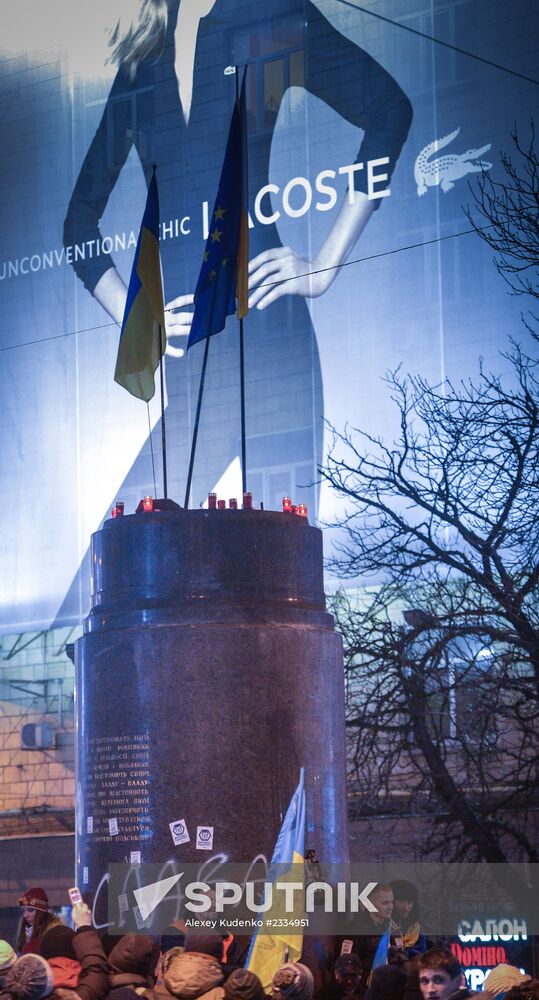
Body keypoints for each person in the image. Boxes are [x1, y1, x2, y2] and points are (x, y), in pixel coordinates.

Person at [63, 0, 413, 515]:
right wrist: (137, 318)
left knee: (276, 574)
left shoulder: (266, 13)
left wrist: (325, 265)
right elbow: (79, 221)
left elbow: (388, 110)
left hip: (273, 346)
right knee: (134, 557)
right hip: (191, 364)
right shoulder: (147, 53)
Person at [7, 903, 109, 1000]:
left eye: (30, 910)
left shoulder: (28, 990)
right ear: (76, 953)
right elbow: (96, 969)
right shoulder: (83, 994)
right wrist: (84, 926)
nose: (26, 916)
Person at [16, 890, 62, 957]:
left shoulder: (55, 931)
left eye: (30, 910)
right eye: (23, 911)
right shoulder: (24, 928)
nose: (25, 915)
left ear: (41, 912)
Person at [389, 881, 426, 957]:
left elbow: (422, 954)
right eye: (401, 901)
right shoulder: (382, 925)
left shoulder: (416, 929)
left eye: (409, 902)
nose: (405, 907)